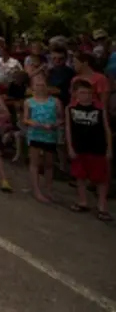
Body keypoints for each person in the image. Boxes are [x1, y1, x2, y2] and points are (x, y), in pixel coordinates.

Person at [66, 79, 112, 221]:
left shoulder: (99, 108)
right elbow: (68, 128)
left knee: (101, 178)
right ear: (75, 94)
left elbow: (107, 129)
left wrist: (109, 148)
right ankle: (83, 201)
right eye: (82, 92)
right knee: (80, 176)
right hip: (79, 147)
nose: (85, 95)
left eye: (88, 93)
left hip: (97, 147)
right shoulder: (71, 108)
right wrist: (70, 147)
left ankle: (102, 206)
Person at [22, 75, 62, 203]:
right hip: (35, 134)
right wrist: (33, 123)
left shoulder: (55, 101)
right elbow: (25, 118)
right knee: (35, 162)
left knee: (49, 163)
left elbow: (60, 117)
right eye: (37, 85)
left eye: (42, 85)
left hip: (50, 134)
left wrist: (53, 125)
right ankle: (36, 189)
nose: (40, 87)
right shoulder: (29, 102)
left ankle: (49, 189)